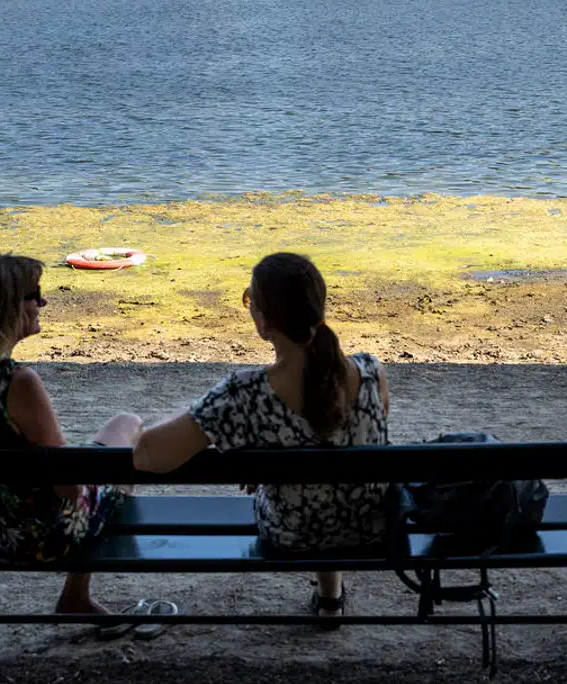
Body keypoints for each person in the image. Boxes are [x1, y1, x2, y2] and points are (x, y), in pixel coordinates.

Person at [134, 252, 390, 621]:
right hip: (371, 526)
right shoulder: (372, 371)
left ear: (263, 319)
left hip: (291, 533)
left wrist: (135, 422)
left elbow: (147, 456)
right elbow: (354, 437)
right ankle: (330, 599)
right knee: (328, 489)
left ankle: (330, 596)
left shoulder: (246, 393)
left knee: (308, 500)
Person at [0, 252, 142, 614]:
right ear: (4, 308)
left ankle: (77, 597)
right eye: (34, 294)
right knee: (127, 429)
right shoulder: (16, 383)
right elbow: (69, 488)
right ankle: (76, 595)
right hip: (30, 536)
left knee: (109, 446)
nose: (43, 302)